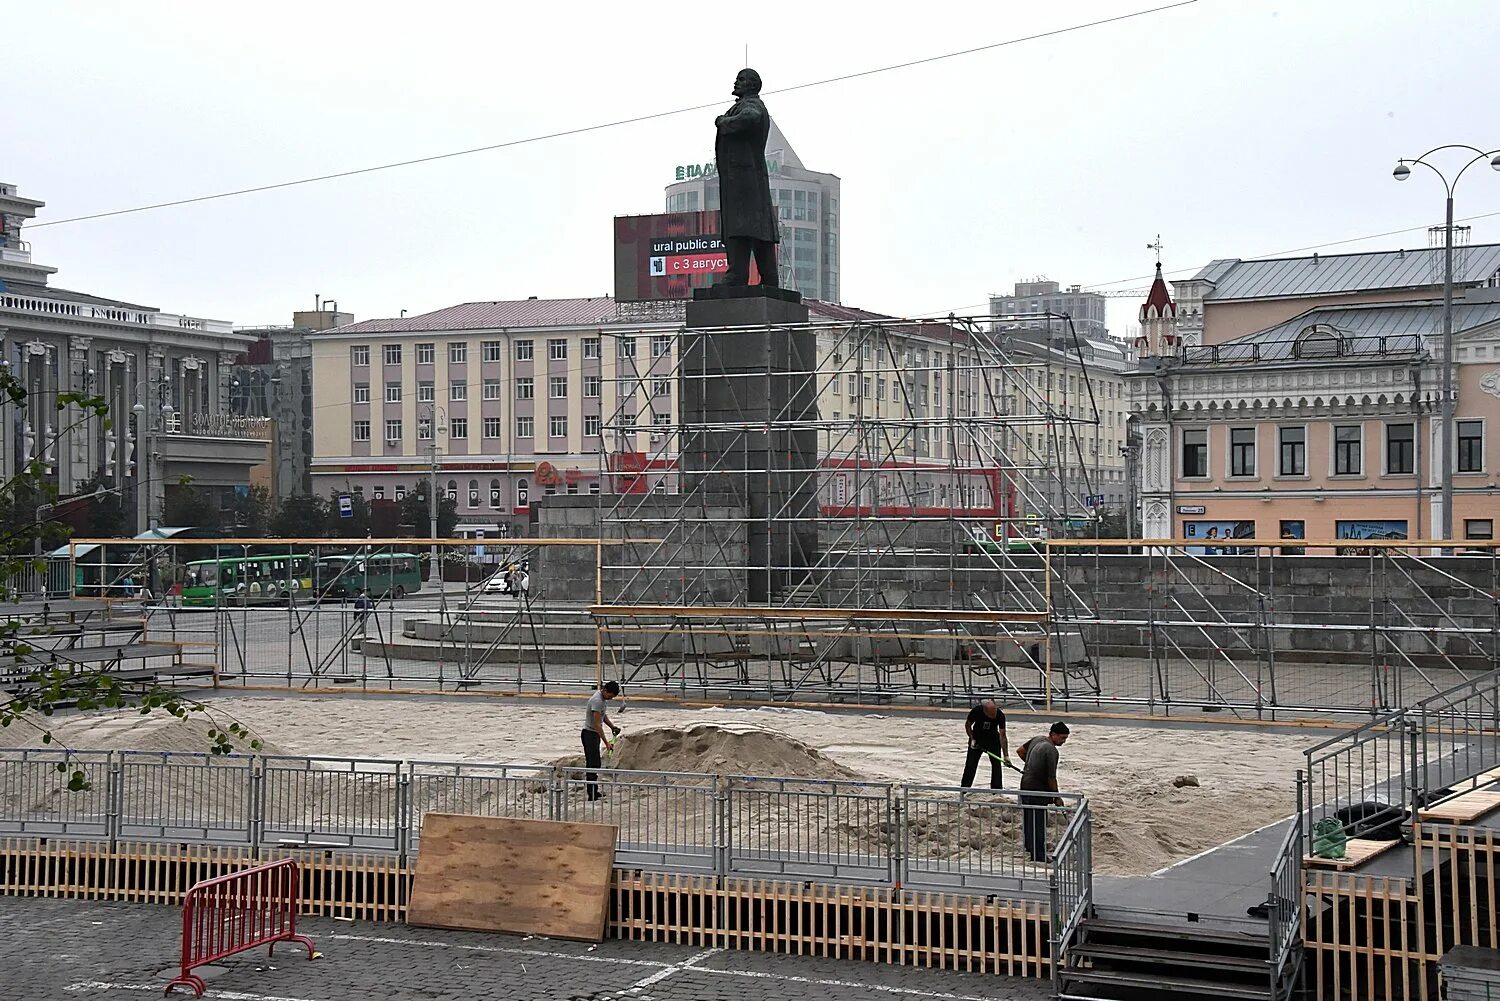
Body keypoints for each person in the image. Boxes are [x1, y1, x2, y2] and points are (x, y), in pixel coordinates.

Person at [713, 68, 780, 288]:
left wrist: (724, 122)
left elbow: (752, 117)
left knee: (741, 226)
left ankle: (737, 274)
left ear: (752, 85)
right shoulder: (748, 104)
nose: (736, 82)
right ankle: (769, 278)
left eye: (741, 79)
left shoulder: (751, 105)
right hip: (746, 180)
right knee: (757, 229)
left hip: (743, 181)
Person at [1016, 722, 1071, 862]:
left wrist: (1031, 767)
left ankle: (1029, 847)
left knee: (1029, 818)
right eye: (1062, 738)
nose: (1063, 742)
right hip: (1037, 789)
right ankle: (1039, 855)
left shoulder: (1037, 739)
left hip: (1025, 784)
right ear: (1053, 735)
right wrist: (1056, 796)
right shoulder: (1051, 750)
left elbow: (1020, 751)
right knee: (1039, 822)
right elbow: (1051, 777)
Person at [581, 681, 623, 802]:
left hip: (594, 735)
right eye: (610, 696)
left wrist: (612, 727)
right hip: (590, 734)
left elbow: (603, 716)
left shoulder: (602, 700)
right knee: (592, 764)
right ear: (605, 691)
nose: (610, 699)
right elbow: (597, 725)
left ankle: (594, 790)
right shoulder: (597, 701)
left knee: (596, 763)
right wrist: (606, 743)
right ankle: (591, 793)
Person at [960, 699, 1009, 789]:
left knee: (996, 767)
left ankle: (997, 791)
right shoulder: (977, 711)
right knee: (970, 766)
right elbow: (968, 725)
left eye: (994, 712)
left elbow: (1003, 736)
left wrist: (1006, 756)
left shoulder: (1000, 715)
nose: (994, 716)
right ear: (985, 710)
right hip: (977, 740)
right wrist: (972, 738)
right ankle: (964, 789)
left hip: (993, 741)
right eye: (991, 714)